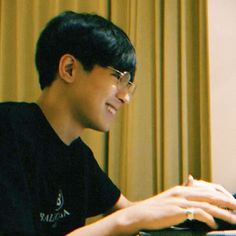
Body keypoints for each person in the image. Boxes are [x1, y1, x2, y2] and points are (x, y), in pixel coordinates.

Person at [0, 10, 236, 236]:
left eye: (129, 85)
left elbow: (128, 210)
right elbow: (129, 217)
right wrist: (128, 220)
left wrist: (187, 203)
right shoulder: (8, 129)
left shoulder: (78, 155)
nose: (126, 97)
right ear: (69, 69)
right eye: (119, 77)